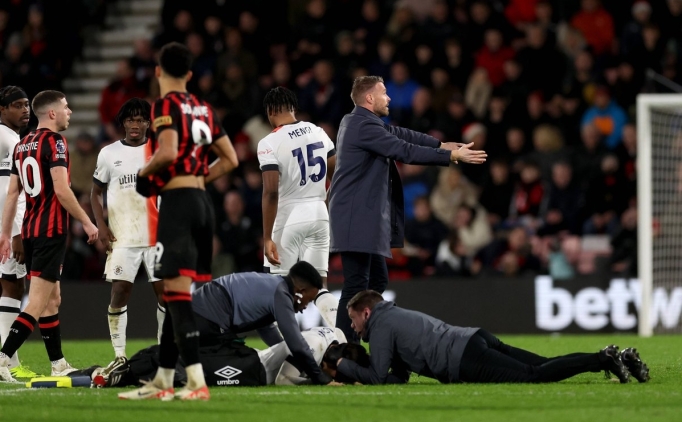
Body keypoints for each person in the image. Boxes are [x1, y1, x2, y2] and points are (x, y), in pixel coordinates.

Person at [328, 75, 487, 342]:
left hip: (362, 218)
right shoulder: (361, 126)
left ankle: (363, 335)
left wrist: (439, 145)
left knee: (376, 282)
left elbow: (401, 134)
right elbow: (402, 150)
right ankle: (342, 351)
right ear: (369, 98)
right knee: (356, 286)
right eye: (384, 92)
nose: (388, 98)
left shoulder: (360, 122)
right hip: (354, 217)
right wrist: (450, 156)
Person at [120, 42, 238, 401]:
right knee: (177, 293)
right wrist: (200, 178)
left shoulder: (165, 105)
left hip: (179, 204)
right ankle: (164, 380)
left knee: (177, 296)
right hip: (202, 202)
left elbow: (168, 151)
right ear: (189, 74)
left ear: (158, 72)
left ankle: (197, 382)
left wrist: (146, 171)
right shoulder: (203, 107)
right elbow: (231, 159)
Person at [331, 291, 650, 385]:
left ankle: (602, 359)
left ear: (367, 313)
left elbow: (376, 375)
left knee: (534, 376)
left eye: (354, 318)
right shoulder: (394, 315)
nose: (353, 326)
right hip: (473, 337)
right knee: (542, 364)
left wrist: (344, 364)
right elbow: (397, 377)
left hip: (463, 358)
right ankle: (606, 357)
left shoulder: (382, 326)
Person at [0, 90, 99, 382]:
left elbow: (12, 193)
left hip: (29, 231)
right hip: (50, 230)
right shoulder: (55, 142)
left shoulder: (22, 144)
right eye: (66, 108)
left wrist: (6, 234)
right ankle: (3, 357)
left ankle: (58, 363)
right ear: (52, 113)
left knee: (53, 298)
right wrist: (88, 222)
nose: (69, 112)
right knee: (38, 301)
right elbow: (61, 189)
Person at [90, 98, 165, 378]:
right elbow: (95, 193)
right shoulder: (108, 154)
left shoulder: (159, 151)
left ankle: (163, 352)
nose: (135, 125)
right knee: (120, 292)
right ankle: (119, 355)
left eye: (141, 120)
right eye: (130, 120)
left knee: (166, 295)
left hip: (157, 236)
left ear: (149, 123)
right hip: (123, 237)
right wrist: (101, 224)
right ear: (123, 123)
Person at [189, 261, 340, 386]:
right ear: (300, 291)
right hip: (206, 320)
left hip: (200, 315)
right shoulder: (281, 294)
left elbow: (267, 329)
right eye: (309, 299)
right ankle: (182, 370)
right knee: (252, 370)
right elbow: (296, 344)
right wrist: (320, 377)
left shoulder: (274, 285)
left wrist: (286, 354)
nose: (306, 306)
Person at [257, 86, 336, 284]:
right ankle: (333, 315)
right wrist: (323, 205)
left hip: (288, 216)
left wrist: (267, 238)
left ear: (270, 111)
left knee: (279, 287)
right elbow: (338, 178)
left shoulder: (269, 142)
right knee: (319, 285)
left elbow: (271, 192)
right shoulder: (319, 132)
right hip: (319, 213)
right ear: (293, 107)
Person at [0, 86, 40, 379]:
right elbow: (6, 191)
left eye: (27, 105)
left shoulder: (12, 138)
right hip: (10, 225)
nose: (25, 110)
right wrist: (14, 232)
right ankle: (8, 360)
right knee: (12, 285)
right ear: (2, 109)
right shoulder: (8, 139)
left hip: (10, 223)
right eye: (17, 105)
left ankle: (8, 358)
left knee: (10, 286)